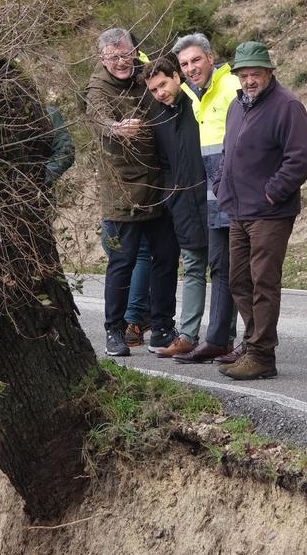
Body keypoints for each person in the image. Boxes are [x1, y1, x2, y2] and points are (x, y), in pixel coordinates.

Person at [214, 40, 307, 381]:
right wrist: (220, 184)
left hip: (270, 212)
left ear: (269, 72)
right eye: (244, 74)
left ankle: (261, 354)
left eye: (256, 73)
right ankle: (253, 344)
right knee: (238, 280)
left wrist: (272, 193)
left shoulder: (288, 106)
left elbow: (298, 160)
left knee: (263, 281)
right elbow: (227, 151)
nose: (249, 80)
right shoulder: (236, 106)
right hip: (238, 209)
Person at [86, 27, 179, 357]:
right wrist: (116, 128)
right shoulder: (98, 87)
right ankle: (115, 330)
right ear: (102, 59)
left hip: (157, 186)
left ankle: (163, 326)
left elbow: (168, 79)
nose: (122, 62)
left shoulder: (144, 74)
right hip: (122, 193)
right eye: (114, 58)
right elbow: (97, 117)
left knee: (166, 257)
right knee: (122, 262)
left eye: (127, 54)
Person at [170, 33, 243, 364]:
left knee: (242, 270)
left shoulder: (231, 88)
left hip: (239, 196)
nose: (190, 68)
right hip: (215, 199)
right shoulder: (193, 94)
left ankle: (246, 343)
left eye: (196, 60)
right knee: (220, 266)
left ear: (211, 57)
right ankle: (219, 340)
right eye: (184, 64)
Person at [142, 54, 208, 358]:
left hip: (213, 196)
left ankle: (227, 336)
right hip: (181, 202)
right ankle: (189, 335)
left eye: (163, 85)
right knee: (193, 266)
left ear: (176, 76)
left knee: (225, 270)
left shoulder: (199, 104)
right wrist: (172, 194)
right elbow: (163, 163)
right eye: (153, 90)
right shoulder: (156, 115)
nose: (160, 93)